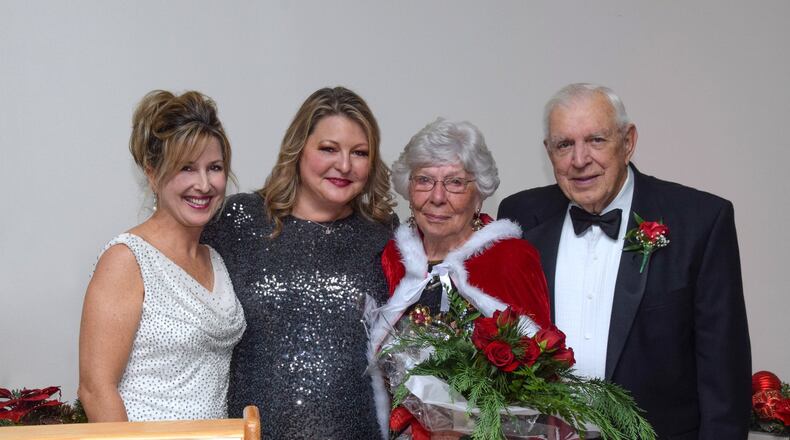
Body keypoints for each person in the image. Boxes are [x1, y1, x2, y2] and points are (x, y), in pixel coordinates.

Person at [498, 83, 751, 439]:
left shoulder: (700, 221)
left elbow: (724, 375)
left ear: (628, 142)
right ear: (548, 152)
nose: (580, 160)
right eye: (564, 144)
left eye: (596, 140)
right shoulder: (520, 216)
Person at [201, 86, 396, 439]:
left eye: (360, 153)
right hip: (253, 433)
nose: (344, 165)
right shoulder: (239, 220)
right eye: (329, 149)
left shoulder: (385, 236)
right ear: (298, 149)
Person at [368, 118, 552, 439]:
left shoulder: (509, 257)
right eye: (424, 180)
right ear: (408, 189)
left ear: (478, 194)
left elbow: (541, 378)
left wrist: (464, 426)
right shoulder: (393, 257)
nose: (437, 197)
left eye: (455, 182)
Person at [78, 90, 247, 422]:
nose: (204, 185)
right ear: (153, 174)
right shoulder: (127, 259)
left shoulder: (215, 259)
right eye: (186, 168)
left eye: (214, 168)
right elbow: (96, 390)